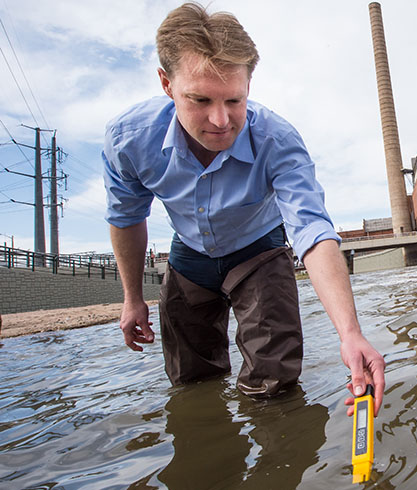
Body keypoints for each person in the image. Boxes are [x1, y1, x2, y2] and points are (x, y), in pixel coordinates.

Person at [103, 2, 384, 413]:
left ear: (249, 85)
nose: (220, 120)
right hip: (189, 257)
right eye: (200, 100)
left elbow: (312, 230)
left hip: (260, 249)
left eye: (234, 100)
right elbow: (127, 217)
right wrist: (132, 298)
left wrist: (350, 333)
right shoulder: (128, 139)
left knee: (273, 382)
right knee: (191, 382)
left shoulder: (278, 139)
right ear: (166, 84)